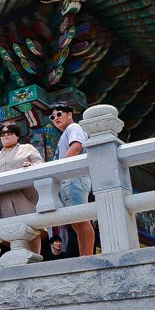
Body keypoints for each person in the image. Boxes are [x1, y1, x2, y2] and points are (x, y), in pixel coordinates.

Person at [0, 122, 45, 257]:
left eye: (10, 133)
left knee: (31, 227)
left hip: (24, 194)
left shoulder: (27, 148)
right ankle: (18, 258)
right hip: (4, 198)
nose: (6, 135)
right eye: (3, 134)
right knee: (11, 229)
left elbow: (40, 162)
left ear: (17, 136)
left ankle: (35, 256)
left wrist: (31, 164)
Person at [49, 104, 97, 256]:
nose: (55, 118)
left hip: (74, 178)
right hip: (67, 179)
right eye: (52, 117)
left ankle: (88, 256)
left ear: (69, 114)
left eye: (59, 114)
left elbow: (76, 147)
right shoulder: (64, 135)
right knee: (76, 222)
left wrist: (60, 168)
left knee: (81, 219)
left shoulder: (74, 127)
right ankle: (84, 255)